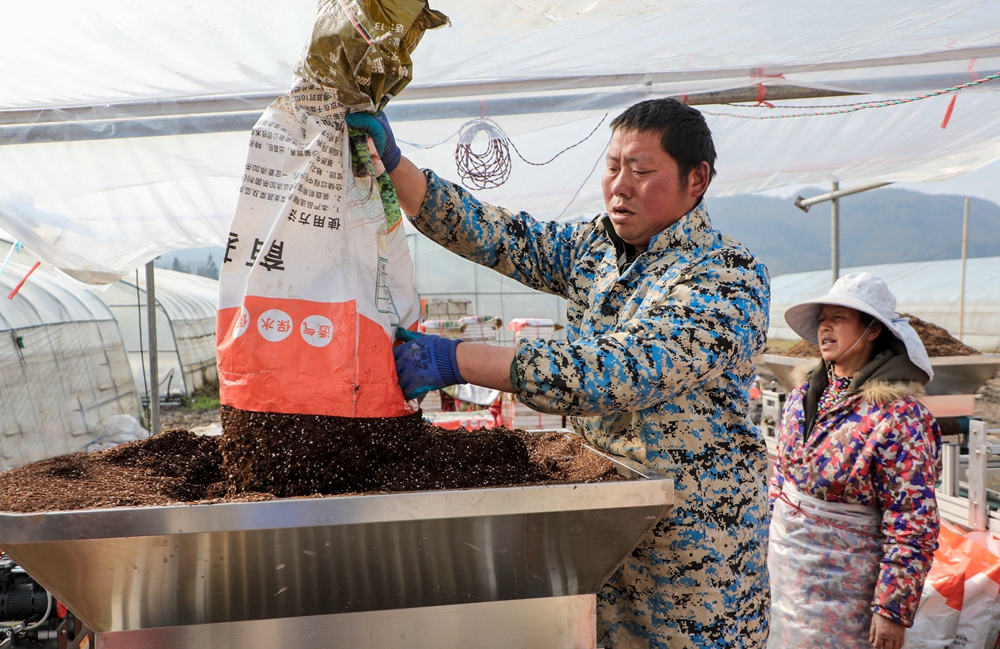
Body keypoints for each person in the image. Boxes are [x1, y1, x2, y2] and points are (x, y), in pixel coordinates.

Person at [348, 98, 771, 648]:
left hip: (692, 552)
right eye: (612, 167)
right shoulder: (597, 249)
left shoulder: (727, 277)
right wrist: (397, 165)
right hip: (603, 528)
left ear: (697, 180)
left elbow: (621, 370)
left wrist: (456, 359)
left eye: (641, 172)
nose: (620, 186)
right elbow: (501, 236)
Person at [768, 272, 940, 649]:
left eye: (839, 318)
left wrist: (892, 608)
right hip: (787, 575)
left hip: (847, 589)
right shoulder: (802, 396)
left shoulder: (899, 417)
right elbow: (779, 481)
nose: (825, 327)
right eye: (823, 318)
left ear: (873, 331)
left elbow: (912, 520)